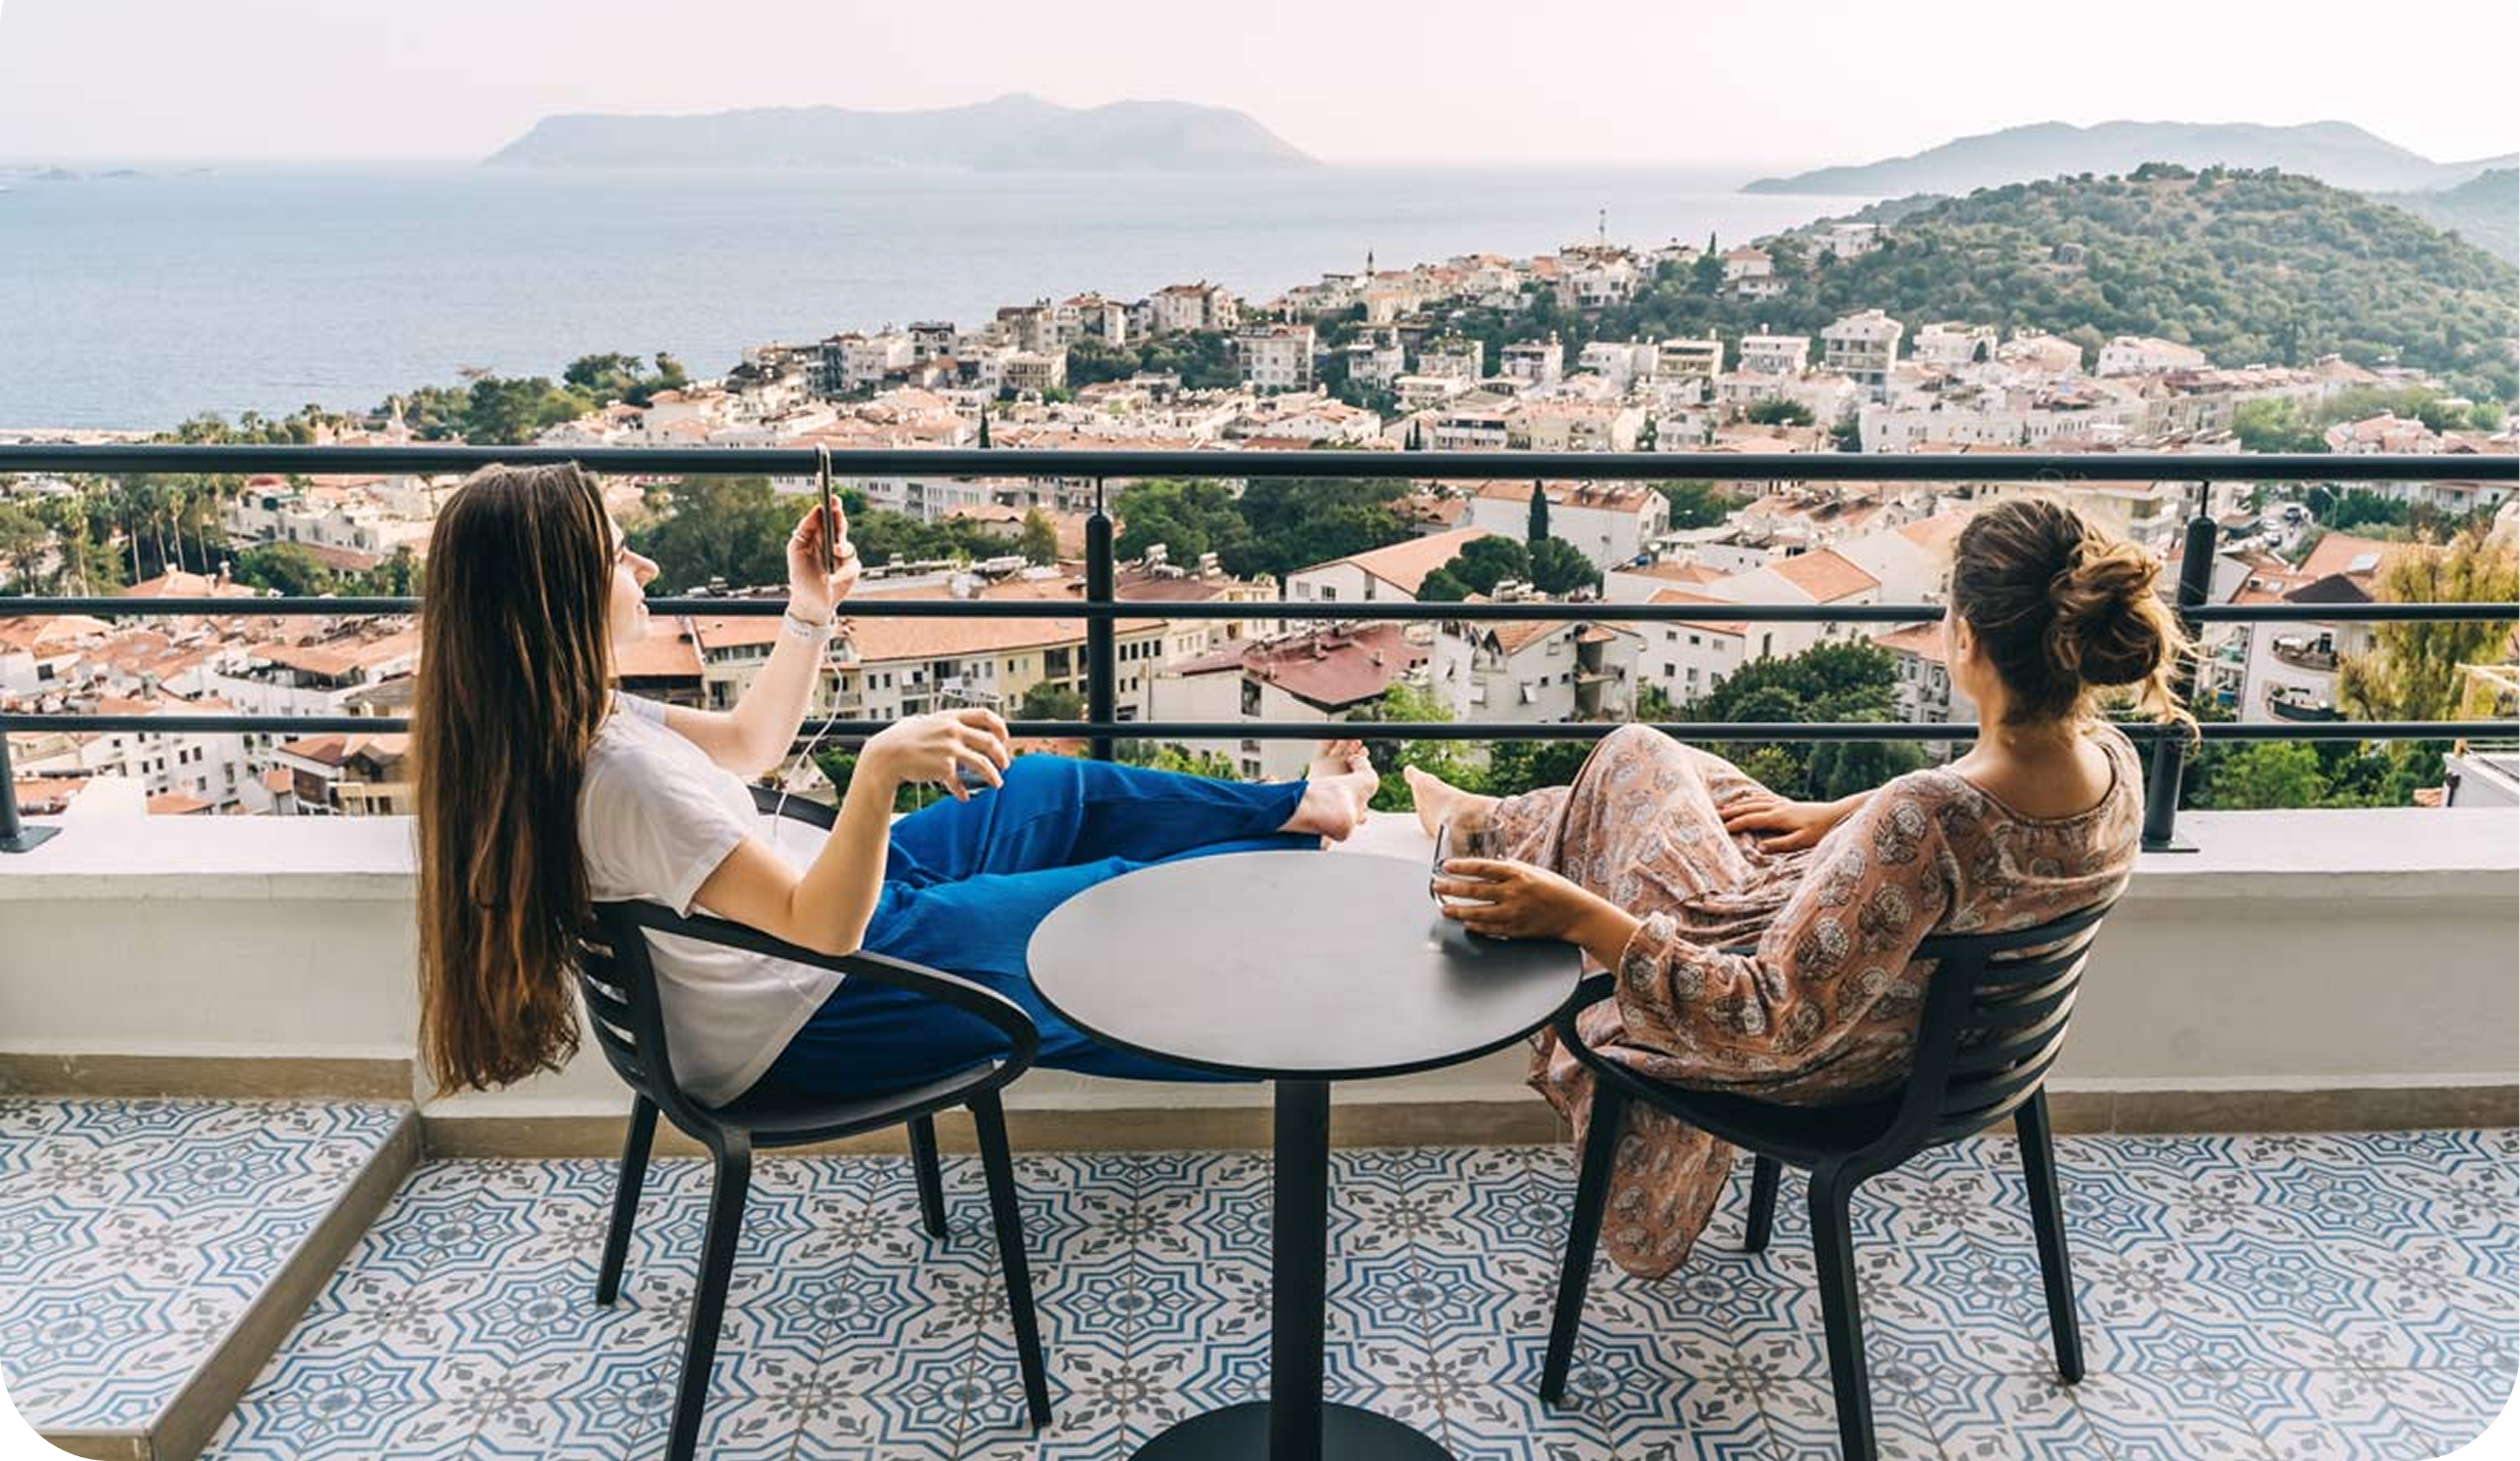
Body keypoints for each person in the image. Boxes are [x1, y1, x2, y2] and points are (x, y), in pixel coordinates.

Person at [411, 462, 1378, 1105]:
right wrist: (875, 773)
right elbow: (823, 929)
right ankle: (1307, 948)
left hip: (796, 955)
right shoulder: (619, 773)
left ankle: (1299, 808)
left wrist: (807, 610)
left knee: (1038, 794)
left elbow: (748, 747)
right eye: (618, 552)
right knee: (1102, 912)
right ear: (557, 591)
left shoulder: (575, 719)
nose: (645, 563)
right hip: (812, 1010)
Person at [1412, 497, 2188, 1278]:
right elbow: (1964, 809)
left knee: (1632, 752)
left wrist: (1585, 920)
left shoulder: (1925, 818)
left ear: (1965, 637)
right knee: (1690, 789)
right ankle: (1484, 817)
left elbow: (1766, 1019)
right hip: (1953, 1059)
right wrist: (1838, 817)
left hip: (1817, 1064)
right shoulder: (2109, 766)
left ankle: (1477, 824)